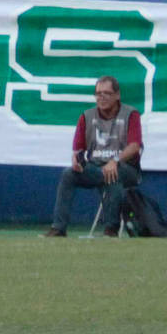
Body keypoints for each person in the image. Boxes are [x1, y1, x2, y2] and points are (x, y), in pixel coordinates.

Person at [47, 73, 143, 237]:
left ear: (117, 95)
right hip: (95, 167)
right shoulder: (86, 116)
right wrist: (76, 159)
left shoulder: (131, 114)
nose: (102, 97)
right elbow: (78, 149)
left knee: (112, 173)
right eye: (98, 94)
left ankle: (110, 229)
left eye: (107, 93)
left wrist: (116, 160)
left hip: (125, 168)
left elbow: (135, 146)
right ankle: (58, 228)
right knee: (68, 174)